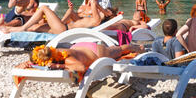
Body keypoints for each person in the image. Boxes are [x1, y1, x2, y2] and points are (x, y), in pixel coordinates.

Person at [0, 0, 110, 34]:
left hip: (64, 30)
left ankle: (22, 28)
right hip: (62, 27)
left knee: (43, 8)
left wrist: (94, 2)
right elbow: (104, 12)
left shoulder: (95, 20)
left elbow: (101, 14)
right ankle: (5, 29)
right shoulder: (91, 19)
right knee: (34, 27)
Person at [16, 42, 145, 75]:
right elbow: (38, 60)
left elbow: (81, 67)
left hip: (95, 52)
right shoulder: (50, 52)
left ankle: (137, 48)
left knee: (120, 50)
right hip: (79, 47)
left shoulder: (67, 59)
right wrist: (27, 63)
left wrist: (59, 66)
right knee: (117, 49)